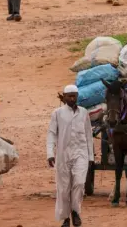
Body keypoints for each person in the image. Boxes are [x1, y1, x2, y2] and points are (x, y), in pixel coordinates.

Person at [47, 84, 93, 227]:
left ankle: (75, 211)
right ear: (64, 97)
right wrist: (50, 153)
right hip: (63, 155)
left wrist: (91, 156)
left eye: (74, 95)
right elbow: (51, 134)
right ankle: (65, 218)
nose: (72, 98)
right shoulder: (57, 113)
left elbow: (88, 135)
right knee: (64, 188)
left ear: (77, 96)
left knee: (79, 183)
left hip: (81, 154)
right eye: (69, 96)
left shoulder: (84, 113)